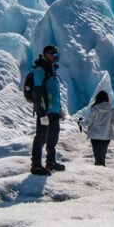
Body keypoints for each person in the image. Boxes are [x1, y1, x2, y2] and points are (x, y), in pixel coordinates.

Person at [31, 44, 65, 175]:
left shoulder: (52, 69)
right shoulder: (40, 69)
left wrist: (59, 109)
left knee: (53, 137)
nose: (57, 58)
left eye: (58, 55)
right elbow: (38, 92)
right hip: (45, 111)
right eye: (55, 55)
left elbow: (55, 92)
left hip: (54, 110)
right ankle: (36, 165)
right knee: (41, 137)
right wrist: (41, 112)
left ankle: (51, 162)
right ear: (47, 54)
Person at [84, 90, 114, 166]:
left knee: (98, 156)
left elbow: (88, 122)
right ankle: (102, 172)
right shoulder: (112, 110)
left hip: (95, 136)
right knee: (102, 155)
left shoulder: (94, 109)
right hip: (106, 136)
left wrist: (80, 123)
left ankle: (99, 173)